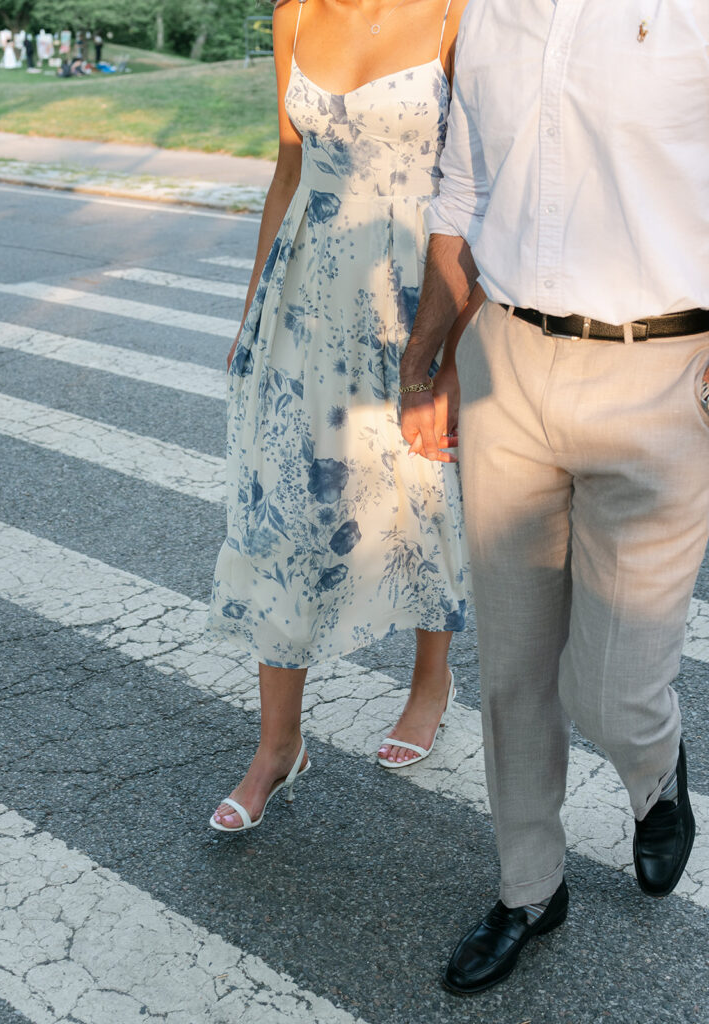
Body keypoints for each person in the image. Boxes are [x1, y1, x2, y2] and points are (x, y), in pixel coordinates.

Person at [399, 0, 709, 995]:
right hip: (509, 366)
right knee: (514, 666)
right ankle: (529, 887)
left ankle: (654, 767)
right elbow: (460, 190)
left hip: (660, 376)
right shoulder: (488, 11)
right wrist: (424, 360)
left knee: (610, 690)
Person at [207, 0, 475, 832]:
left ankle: (431, 679)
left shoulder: (455, 15)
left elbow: (476, 184)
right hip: (305, 293)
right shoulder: (293, 15)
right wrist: (253, 304)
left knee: (424, 496)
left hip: (413, 288)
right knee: (281, 508)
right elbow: (288, 170)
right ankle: (276, 746)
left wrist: (453, 349)